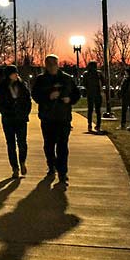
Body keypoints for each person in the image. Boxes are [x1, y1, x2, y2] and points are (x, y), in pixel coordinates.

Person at [31, 54, 80, 185]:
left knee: (63, 146)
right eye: (49, 64)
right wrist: (48, 96)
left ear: (58, 64)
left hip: (63, 118)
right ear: (45, 65)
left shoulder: (66, 79)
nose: (52, 66)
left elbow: (76, 94)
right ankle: (51, 166)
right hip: (48, 118)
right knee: (49, 145)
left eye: (54, 63)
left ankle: (63, 173)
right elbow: (35, 95)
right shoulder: (41, 80)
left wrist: (70, 99)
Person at [0, 65, 32, 178]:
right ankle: (14, 168)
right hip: (8, 119)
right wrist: (6, 112)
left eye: (16, 73)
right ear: (8, 75)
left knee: (22, 143)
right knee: (10, 144)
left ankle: (22, 162)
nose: (16, 75)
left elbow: (28, 101)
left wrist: (25, 113)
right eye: (13, 73)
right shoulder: (1, 87)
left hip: (21, 119)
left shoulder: (23, 85)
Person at [82, 60, 105, 133]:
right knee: (98, 111)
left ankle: (89, 125)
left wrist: (88, 88)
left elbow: (84, 83)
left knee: (90, 110)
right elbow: (104, 82)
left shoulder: (86, 74)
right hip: (98, 93)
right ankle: (98, 125)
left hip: (90, 94)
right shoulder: (99, 73)